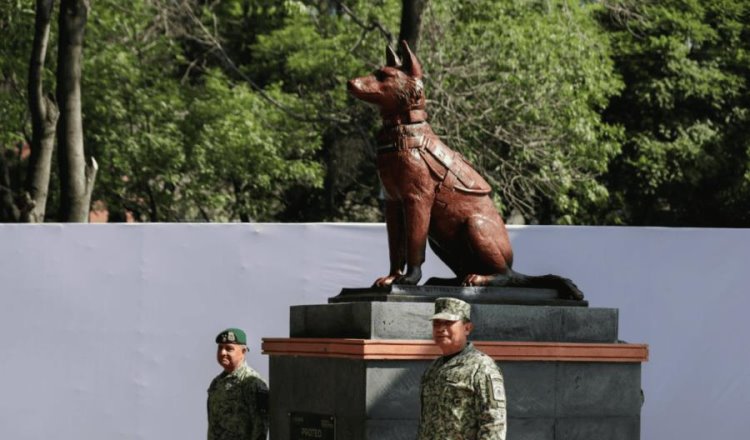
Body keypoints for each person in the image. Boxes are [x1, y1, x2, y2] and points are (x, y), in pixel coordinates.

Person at [417, 298, 507, 440]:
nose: (441, 328)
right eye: (437, 323)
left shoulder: (481, 367)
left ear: (467, 328)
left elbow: (493, 425)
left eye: (448, 323)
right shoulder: (433, 368)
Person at [207, 328, 269, 440]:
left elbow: (260, 429)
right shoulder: (216, 383)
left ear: (243, 351)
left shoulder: (252, 383)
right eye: (220, 348)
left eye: (229, 349)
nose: (222, 353)